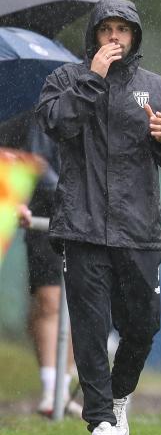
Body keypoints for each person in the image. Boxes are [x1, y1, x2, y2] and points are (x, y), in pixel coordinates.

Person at [35, 0, 161, 435]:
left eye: (123, 30)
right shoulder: (66, 79)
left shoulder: (158, 88)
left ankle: (118, 397)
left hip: (138, 227)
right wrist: (93, 78)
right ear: (95, 35)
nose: (115, 38)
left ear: (135, 35)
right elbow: (58, 124)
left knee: (144, 324)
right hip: (80, 226)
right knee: (89, 325)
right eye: (108, 30)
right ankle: (100, 418)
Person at [16, 122, 81, 418]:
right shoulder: (41, 114)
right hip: (46, 215)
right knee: (49, 300)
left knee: (76, 304)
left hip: (85, 217)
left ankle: (62, 390)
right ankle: (49, 389)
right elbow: (37, 163)